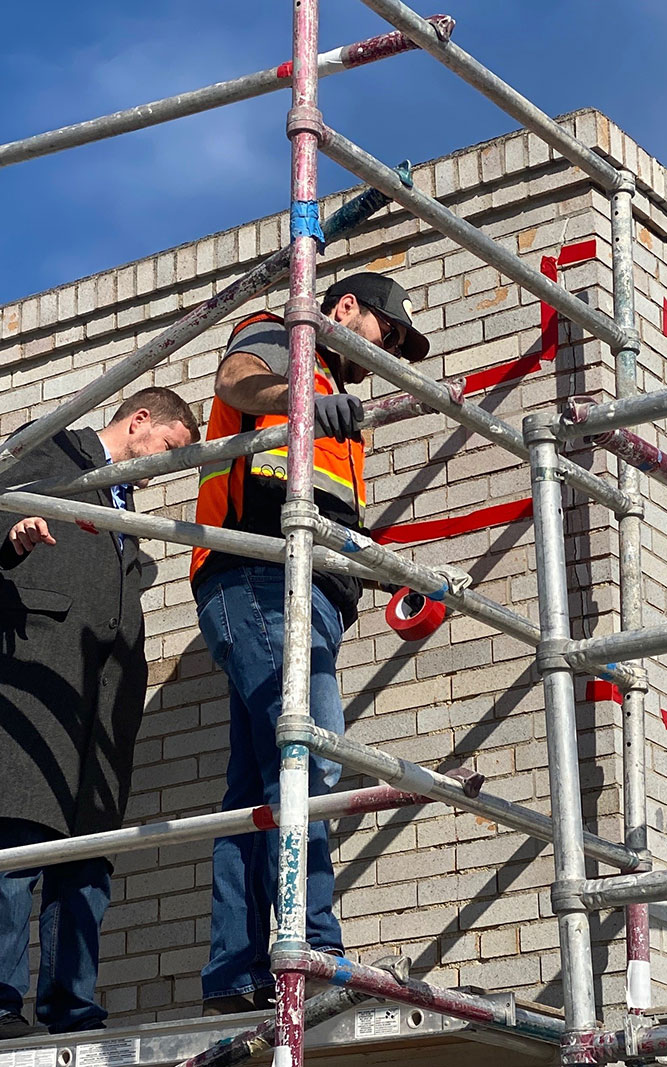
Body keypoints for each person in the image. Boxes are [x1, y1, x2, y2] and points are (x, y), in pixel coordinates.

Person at [190, 272, 429, 1015]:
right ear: (346, 309)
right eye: (378, 334)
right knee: (310, 762)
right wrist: (305, 399)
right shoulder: (284, 335)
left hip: (302, 590)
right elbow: (238, 379)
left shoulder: (333, 383)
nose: (374, 354)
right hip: (261, 575)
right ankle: (315, 950)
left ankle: (235, 972)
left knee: (253, 792)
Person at [0, 387, 199, 1038]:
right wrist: (15, 534)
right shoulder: (58, 444)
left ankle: (71, 1010)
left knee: (88, 858)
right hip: (42, 679)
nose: (166, 466)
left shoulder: (125, 507)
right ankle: (0, 1005)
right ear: (139, 420)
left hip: (104, 703)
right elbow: (3, 503)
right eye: (169, 448)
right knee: (19, 838)